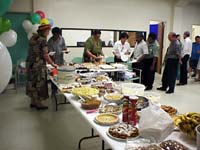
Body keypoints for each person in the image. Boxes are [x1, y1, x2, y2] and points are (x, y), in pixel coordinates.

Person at [26, 24, 57, 110]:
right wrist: (52, 64)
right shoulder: (42, 40)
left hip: (30, 64)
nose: (48, 33)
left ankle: (33, 101)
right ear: (45, 31)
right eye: (48, 31)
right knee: (39, 83)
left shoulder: (33, 38)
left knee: (32, 82)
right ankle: (38, 104)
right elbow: (45, 55)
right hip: (38, 65)